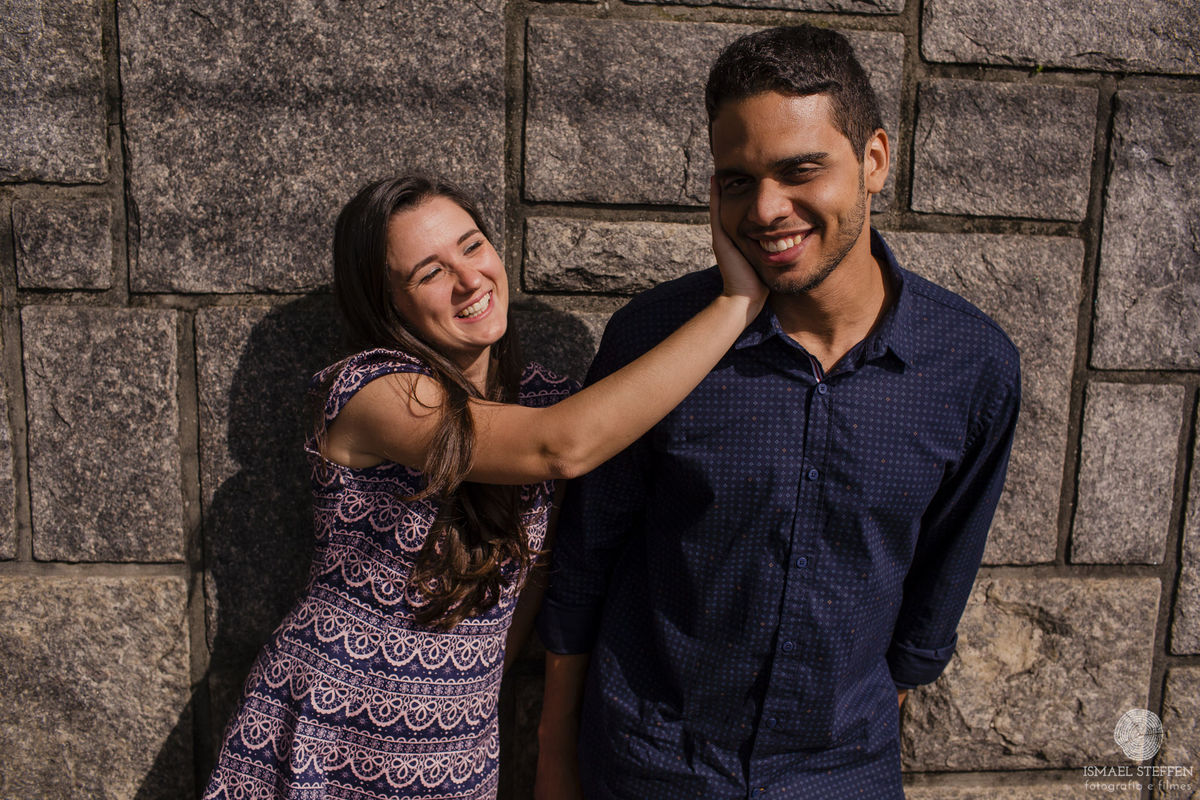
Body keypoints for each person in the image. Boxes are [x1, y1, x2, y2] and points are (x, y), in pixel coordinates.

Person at [535, 25, 1021, 799]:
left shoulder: (970, 367)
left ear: (874, 161)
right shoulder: (656, 340)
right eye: (737, 181)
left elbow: (939, 579)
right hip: (651, 761)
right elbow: (584, 564)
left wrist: (852, 722)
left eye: (800, 170)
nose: (765, 210)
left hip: (839, 769)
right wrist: (554, 753)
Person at [202, 174, 766, 800]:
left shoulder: (544, 396)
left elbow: (537, 574)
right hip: (333, 728)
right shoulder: (371, 391)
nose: (470, 279)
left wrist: (471, 693)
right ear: (388, 304)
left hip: (455, 740)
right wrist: (736, 305)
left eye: (472, 247)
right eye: (429, 273)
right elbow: (561, 446)